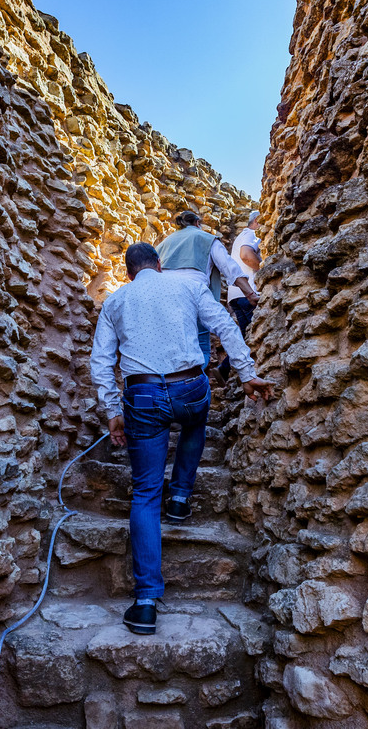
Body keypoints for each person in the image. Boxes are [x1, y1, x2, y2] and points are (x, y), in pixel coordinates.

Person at [90, 242, 273, 635]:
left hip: (141, 396)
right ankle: (180, 495)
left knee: (143, 493)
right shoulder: (188, 287)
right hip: (189, 387)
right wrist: (245, 373)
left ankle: (144, 602)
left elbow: (102, 362)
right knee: (197, 415)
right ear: (159, 264)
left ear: (128, 273)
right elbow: (224, 325)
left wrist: (112, 413)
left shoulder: (116, 301)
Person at [155, 211, 257, 368]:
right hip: (194, 296)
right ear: (197, 223)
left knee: (167, 348)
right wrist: (250, 294)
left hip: (163, 299)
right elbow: (230, 268)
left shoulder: (162, 245)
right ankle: (197, 384)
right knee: (201, 345)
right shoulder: (207, 239)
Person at [218, 211, 264, 381]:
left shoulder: (240, 236)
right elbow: (246, 255)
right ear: (257, 221)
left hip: (236, 294)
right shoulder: (251, 234)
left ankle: (224, 368)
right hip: (248, 292)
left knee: (246, 335)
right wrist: (265, 269)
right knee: (254, 335)